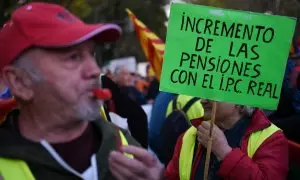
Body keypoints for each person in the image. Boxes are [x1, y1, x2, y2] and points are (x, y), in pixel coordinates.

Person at [0, 2, 163, 179]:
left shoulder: (122, 144)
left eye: (91, 54)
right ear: (19, 82)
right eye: (73, 57)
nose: (94, 70)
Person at [165, 99, 288, 180]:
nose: (203, 100)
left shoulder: (271, 139)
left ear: (240, 100)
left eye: (214, 93)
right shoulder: (189, 135)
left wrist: (225, 152)